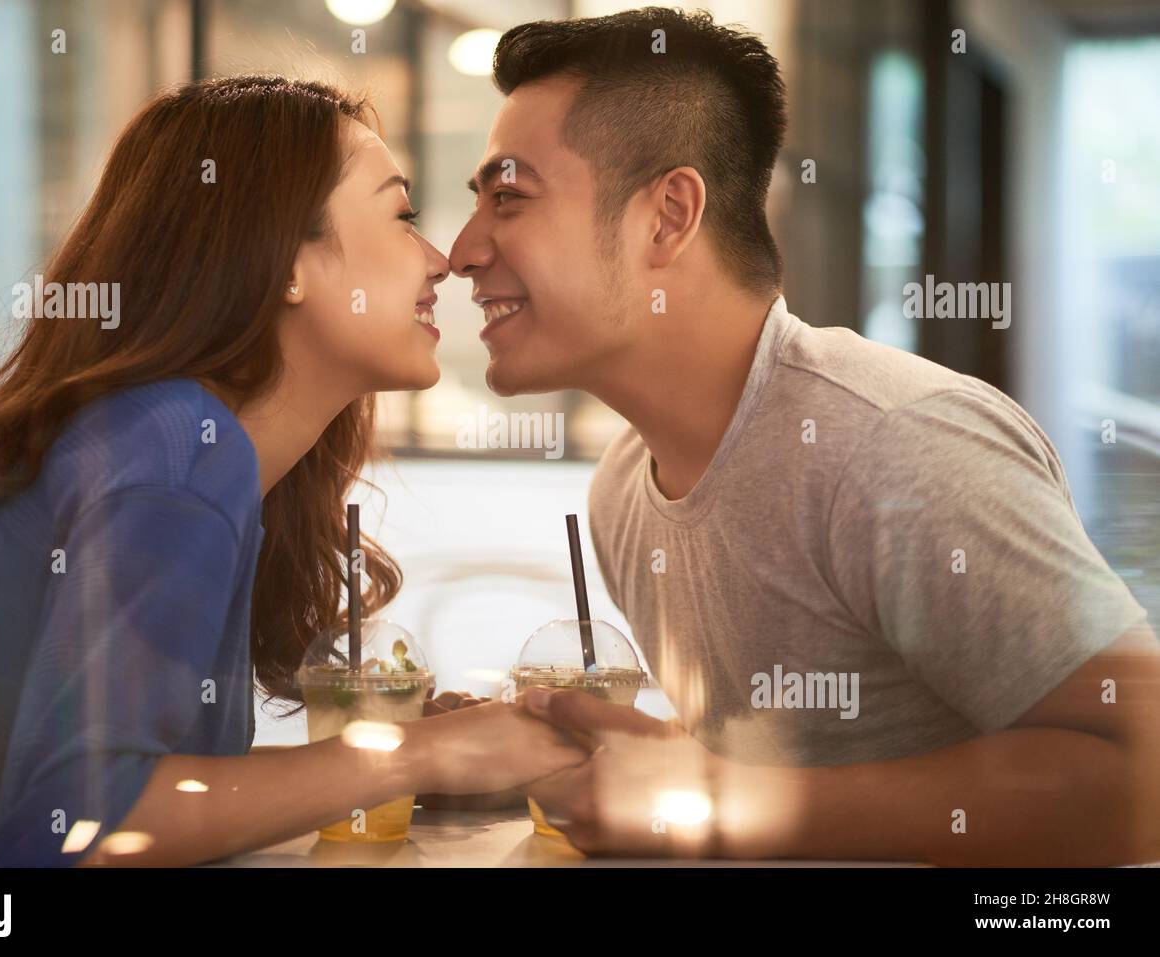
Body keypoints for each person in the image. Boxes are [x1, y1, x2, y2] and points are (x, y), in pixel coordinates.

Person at [449, 8, 1160, 865]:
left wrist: (718, 802)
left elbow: (1142, 774)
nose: (461, 250)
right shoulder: (623, 490)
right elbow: (806, 766)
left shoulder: (892, 443)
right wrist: (579, 757)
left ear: (667, 216)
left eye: (508, 198)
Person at [0, 75, 586, 867]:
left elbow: (132, 793)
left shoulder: (171, 440)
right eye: (402, 216)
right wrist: (417, 757)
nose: (442, 258)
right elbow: (66, 831)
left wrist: (416, 748)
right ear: (283, 264)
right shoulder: (179, 453)